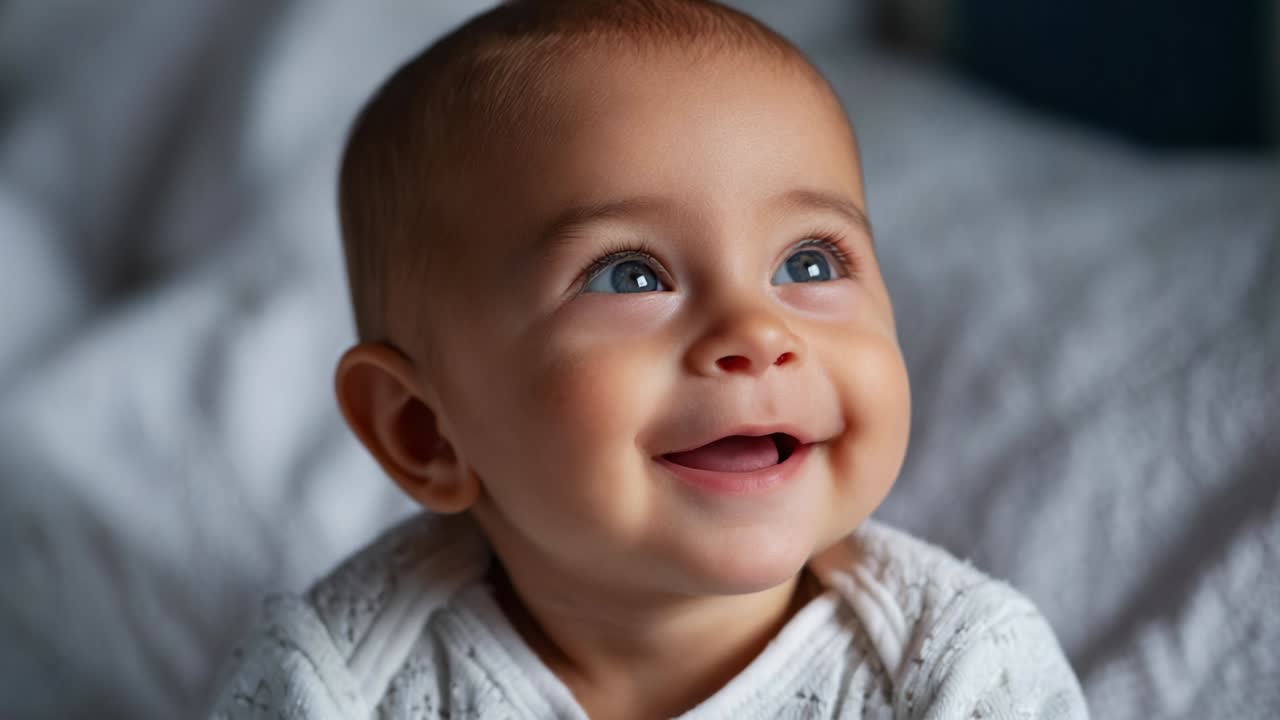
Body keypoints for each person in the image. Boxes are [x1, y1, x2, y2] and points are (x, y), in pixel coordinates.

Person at [210, 1, 1089, 717]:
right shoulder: (338, 685)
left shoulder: (963, 676)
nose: (756, 332)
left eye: (808, 263)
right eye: (631, 275)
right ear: (424, 430)